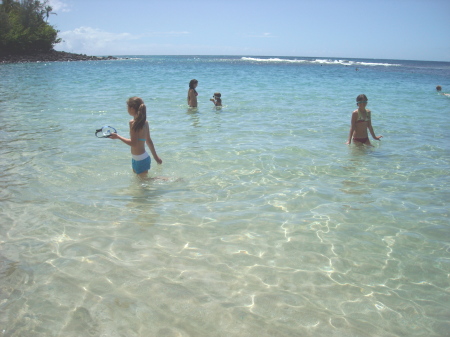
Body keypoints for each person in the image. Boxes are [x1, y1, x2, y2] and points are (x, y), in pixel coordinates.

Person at [110, 97, 162, 177]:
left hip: (140, 159)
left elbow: (133, 143)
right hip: (139, 158)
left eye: (127, 107)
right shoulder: (145, 123)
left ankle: (170, 180)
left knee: (144, 182)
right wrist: (156, 158)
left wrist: (118, 137)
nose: (127, 109)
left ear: (132, 108)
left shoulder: (132, 123)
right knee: (140, 183)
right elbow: (149, 141)